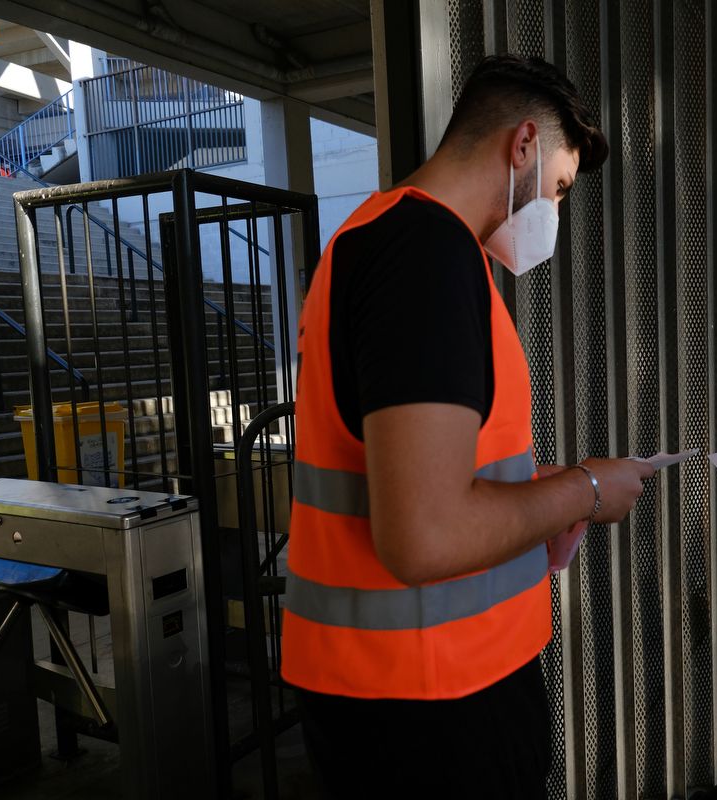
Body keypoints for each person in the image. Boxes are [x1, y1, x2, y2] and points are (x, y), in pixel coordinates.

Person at [280, 54, 655, 797]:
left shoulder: (381, 238)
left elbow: (422, 479)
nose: (555, 210)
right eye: (558, 188)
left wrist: (531, 495)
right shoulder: (425, 255)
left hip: (401, 694)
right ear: (522, 145)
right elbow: (424, 534)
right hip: (427, 707)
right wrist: (585, 490)